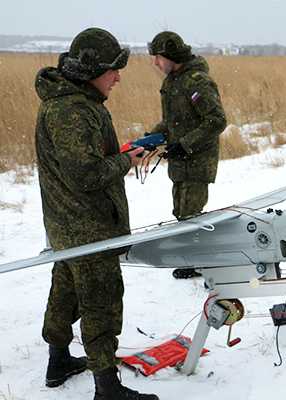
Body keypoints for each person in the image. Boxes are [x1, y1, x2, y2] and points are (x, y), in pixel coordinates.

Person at [35, 27, 158, 399]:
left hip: (68, 224)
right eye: (113, 70)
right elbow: (85, 174)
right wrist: (125, 160)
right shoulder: (72, 110)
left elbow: (81, 163)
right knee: (101, 301)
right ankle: (107, 387)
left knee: (66, 291)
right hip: (86, 226)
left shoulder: (73, 102)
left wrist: (116, 155)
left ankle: (58, 361)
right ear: (92, 70)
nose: (118, 77)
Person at [147, 31, 227, 279]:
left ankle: (202, 262)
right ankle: (193, 258)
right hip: (180, 162)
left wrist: (185, 144)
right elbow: (172, 121)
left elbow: (217, 120)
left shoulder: (197, 81)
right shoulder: (172, 81)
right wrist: (151, 137)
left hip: (198, 160)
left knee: (191, 214)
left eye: (158, 58)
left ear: (171, 56)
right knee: (180, 212)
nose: (155, 63)